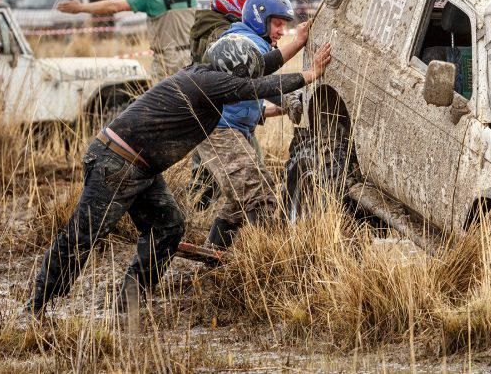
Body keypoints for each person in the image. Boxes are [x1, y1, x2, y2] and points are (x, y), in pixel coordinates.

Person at [26, 25, 332, 316]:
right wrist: (311, 72)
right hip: (116, 163)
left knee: (169, 228)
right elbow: (258, 84)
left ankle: (130, 299)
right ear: (230, 73)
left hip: (140, 168)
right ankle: (37, 305)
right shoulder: (209, 82)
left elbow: (259, 67)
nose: (244, 80)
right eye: (241, 76)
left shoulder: (206, 73)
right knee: (83, 236)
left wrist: (298, 41)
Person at [193, 0, 301, 250]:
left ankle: (213, 253)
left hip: (235, 130)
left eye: (285, 26)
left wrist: (289, 101)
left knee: (238, 202)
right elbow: (261, 77)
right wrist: (290, 96)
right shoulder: (244, 42)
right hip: (219, 129)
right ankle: (274, 259)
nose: (281, 31)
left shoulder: (256, 42)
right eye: (277, 24)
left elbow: (259, 83)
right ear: (258, 17)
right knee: (258, 193)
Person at [57, 0, 197, 78]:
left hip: (166, 63)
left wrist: (81, 7)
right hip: (191, 60)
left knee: (164, 105)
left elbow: (114, 6)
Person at [187, 0, 255, 209]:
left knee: (205, 171)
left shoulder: (207, 25)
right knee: (246, 173)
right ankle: (203, 216)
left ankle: (199, 212)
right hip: (221, 112)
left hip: (208, 107)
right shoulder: (222, 33)